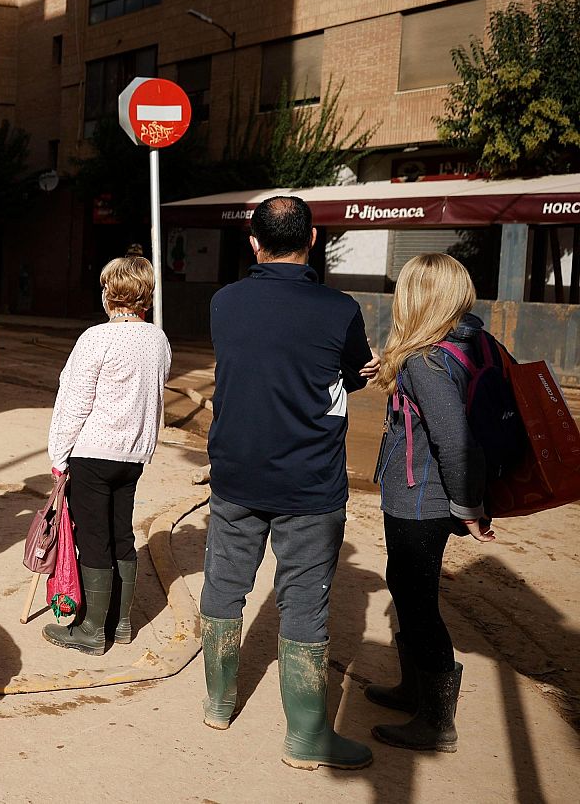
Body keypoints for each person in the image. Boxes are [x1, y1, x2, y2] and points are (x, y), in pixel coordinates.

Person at [199, 195, 377, 771]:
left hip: (235, 474)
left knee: (224, 584)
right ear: (315, 239)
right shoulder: (340, 310)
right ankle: (305, 738)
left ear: (253, 242)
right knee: (304, 602)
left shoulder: (224, 303)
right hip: (309, 482)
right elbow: (352, 376)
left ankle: (218, 704)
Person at [368, 253, 496, 754]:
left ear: (417, 297)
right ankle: (413, 690)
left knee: (417, 602)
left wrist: (468, 506)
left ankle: (437, 722)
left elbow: (452, 437)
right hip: (434, 496)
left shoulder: (425, 360)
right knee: (406, 589)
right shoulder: (476, 341)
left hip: (420, 498)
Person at [43, 256, 171, 653]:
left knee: (94, 538)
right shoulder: (158, 340)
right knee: (121, 535)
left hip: (93, 452)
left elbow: (74, 402)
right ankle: (121, 621)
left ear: (109, 294)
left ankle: (92, 629)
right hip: (132, 455)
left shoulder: (96, 338)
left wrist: (58, 454)